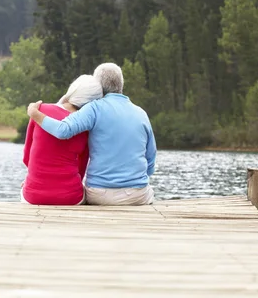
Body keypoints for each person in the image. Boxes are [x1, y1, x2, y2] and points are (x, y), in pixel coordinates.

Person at [27, 63, 156, 206]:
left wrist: (34, 113)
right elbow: (150, 161)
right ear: (121, 84)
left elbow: (62, 130)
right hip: (136, 195)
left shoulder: (93, 109)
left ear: (98, 87)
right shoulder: (142, 114)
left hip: (100, 194)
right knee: (149, 191)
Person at [21, 75, 103, 205]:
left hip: (33, 195)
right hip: (71, 197)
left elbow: (27, 157)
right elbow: (82, 168)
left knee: (24, 188)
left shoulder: (39, 110)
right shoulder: (86, 126)